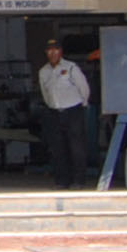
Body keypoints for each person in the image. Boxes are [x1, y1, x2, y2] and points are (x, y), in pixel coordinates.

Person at [38, 39, 90, 188]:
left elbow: (83, 88)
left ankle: (78, 180)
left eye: (55, 50)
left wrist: (83, 104)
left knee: (76, 148)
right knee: (58, 149)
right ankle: (62, 181)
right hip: (55, 112)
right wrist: (51, 106)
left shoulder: (71, 67)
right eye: (49, 50)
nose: (52, 53)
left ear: (61, 51)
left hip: (73, 110)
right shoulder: (43, 71)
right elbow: (45, 92)